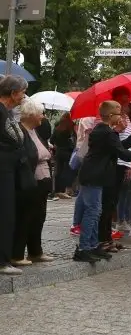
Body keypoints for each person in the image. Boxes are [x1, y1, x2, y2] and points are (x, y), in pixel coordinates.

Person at [75, 100, 131, 263]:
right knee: (92, 212)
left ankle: (93, 245)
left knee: (96, 211)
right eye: (119, 113)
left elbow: (118, 147)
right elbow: (122, 153)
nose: (122, 116)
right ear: (110, 115)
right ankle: (83, 247)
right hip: (93, 176)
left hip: (97, 176)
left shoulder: (107, 131)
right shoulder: (105, 131)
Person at [12, 99, 55, 265]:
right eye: (40, 113)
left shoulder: (34, 131)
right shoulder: (21, 131)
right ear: (31, 114)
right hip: (29, 181)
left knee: (39, 217)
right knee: (25, 217)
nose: (42, 117)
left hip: (41, 180)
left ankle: (35, 251)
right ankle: (17, 254)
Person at [100, 86, 131, 252]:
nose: (123, 108)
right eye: (119, 108)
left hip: (120, 163)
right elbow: (117, 148)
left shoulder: (119, 124)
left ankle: (107, 238)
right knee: (107, 205)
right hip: (112, 166)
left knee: (112, 202)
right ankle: (103, 239)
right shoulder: (104, 130)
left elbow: (122, 145)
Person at [0, 76, 28, 275]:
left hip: (8, 169)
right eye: (22, 92)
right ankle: (2, 261)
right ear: (13, 93)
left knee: (8, 213)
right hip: (3, 169)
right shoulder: (1, 112)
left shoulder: (7, 112)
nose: (23, 97)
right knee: (5, 215)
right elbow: (12, 139)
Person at [50, 113, 75, 199]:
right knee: (67, 171)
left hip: (59, 152)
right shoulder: (71, 126)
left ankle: (57, 190)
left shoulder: (57, 128)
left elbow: (52, 140)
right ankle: (66, 189)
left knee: (58, 171)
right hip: (68, 152)